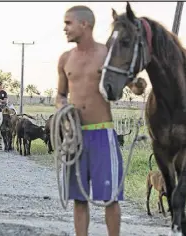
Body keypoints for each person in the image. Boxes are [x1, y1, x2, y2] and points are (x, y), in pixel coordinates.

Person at [55, 5, 123, 236]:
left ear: (85, 25)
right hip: (76, 138)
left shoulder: (107, 53)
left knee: (110, 198)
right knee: (79, 198)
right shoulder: (65, 59)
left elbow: (125, 83)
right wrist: (62, 110)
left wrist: (135, 85)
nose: (64, 28)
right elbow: (61, 95)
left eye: (68, 23)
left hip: (102, 134)